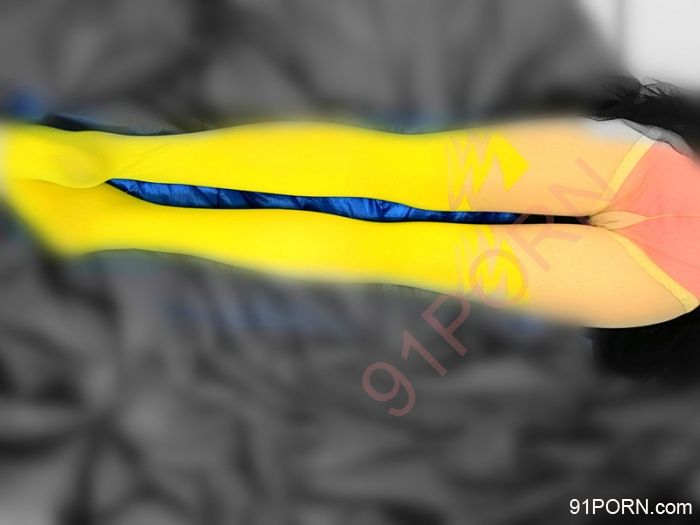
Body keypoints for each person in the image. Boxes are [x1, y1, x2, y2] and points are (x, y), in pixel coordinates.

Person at [2, 96, 700, 329]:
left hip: (668, 186)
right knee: (393, 255)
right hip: (676, 275)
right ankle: (109, 222)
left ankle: (101, 159)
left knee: (389, 169)